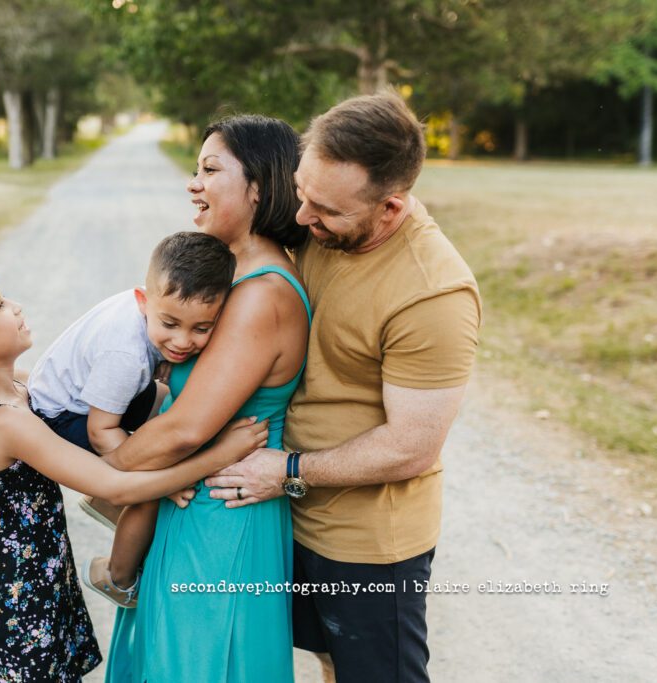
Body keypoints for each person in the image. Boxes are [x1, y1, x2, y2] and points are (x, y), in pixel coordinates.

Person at [204, 91, 482, 682]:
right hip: (286, 515)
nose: (302, 218)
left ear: (390, 208)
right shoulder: (316, 220)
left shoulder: (433, 294)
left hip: (364, 543)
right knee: (327, 661)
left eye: (325, 209)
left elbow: (413, 445)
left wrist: (289, 469)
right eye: (302, 192)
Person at [0, 272, 269, 682]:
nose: (16, 306)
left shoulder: (21, 388)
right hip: (15, 599)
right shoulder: (4, 421)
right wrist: (218, 455)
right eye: (0, 304)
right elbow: (111, 484)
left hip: (40, 579)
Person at [104, 114, 310, 682]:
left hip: (220, 517)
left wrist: (100, 473)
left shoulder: (261, 293)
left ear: (259, 188)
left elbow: (187, 428)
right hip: (196, 499)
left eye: (210, 169)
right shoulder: (232, 277)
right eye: (195, 169)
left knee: (200, 661)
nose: (193, 183)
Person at [26, 231, 237, 608]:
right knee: (150, 486)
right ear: (143, 300)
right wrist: (153, 479)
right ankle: (117, 577)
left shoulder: (147, 312)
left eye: (201, 328)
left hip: (96, 397)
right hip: (62, 417)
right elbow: (100, 429)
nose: (183, 341)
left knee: (170, 415)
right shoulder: (124, 354)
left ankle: (110, 496)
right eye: (170, 324)